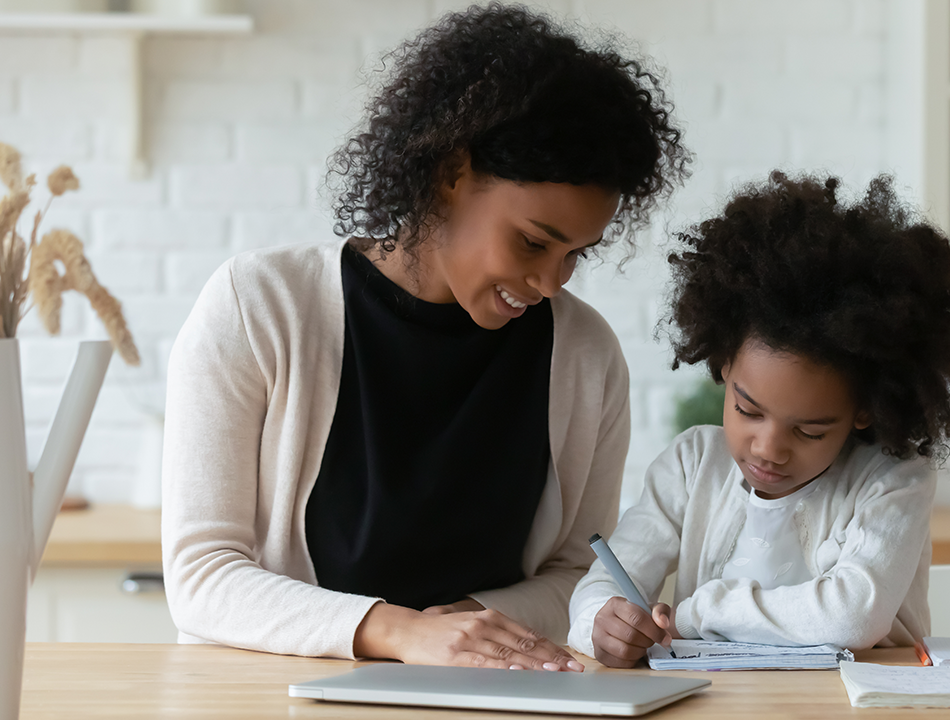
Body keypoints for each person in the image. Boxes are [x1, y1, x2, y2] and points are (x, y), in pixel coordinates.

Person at [161, 3, 688, 670]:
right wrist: (400, 632)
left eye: (576, 254)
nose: (552, 282)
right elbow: (201, 575)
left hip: (496, 698)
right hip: (282, 699)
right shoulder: (259, 307)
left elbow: (576, 575)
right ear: (450, 173)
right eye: (532, 242)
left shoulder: (584, 356)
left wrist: (470, 627)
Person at [568, 172, 950, 668]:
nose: (768, 448)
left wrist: (698, 612)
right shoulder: (690, 466)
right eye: (748, 411)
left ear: (864, 410)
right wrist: (603, 620)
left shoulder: (893, 480)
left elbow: (854, 617)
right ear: (724, 364)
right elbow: (600, 585)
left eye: (810, 430)